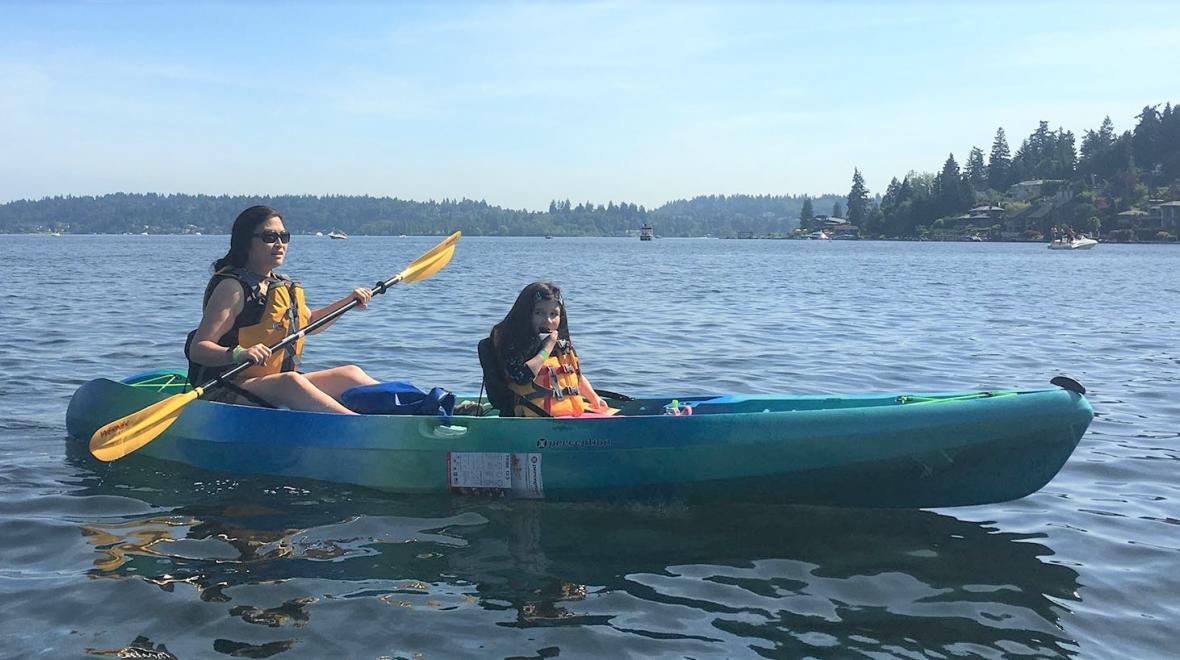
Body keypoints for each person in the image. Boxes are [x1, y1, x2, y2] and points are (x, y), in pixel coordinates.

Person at [185, 205, 378, 413]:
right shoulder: (232, 288)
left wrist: (347, 302)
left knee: (350, 374)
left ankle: (412, 411)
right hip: (227, 386)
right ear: (245, 242)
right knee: (290, 382)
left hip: (270, 384)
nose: (279, 244)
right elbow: (199, 348)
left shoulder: (280, 285)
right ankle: (361, 428)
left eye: (284, 237)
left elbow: (309, 322)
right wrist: (240, 353)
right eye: (269, 237)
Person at [486, 281, 612, 417]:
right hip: (529, 418)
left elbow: (575, 376)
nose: (548, 320)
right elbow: (522, 377)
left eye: (554, 314)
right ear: (525, 314)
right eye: (539, 313)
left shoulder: (561, 345)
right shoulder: (513, 343)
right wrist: (546, 348)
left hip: (565, 415)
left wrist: (594, 398)